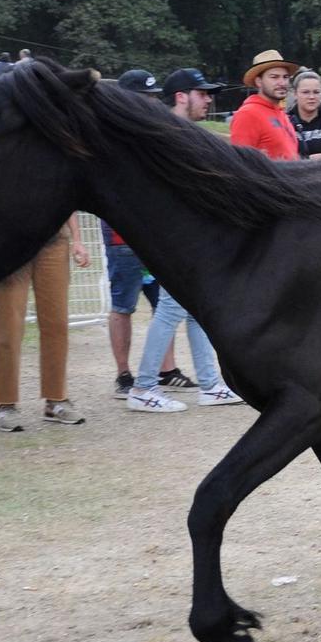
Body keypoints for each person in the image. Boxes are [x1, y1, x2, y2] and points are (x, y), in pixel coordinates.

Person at [126, 69, 243, 413]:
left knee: (193, 311)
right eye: (202, 93)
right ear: (181, 96)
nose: (209, 99)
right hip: (172, 237)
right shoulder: (163, 133)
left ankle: (209, 384)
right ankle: (143, 387)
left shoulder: (177, 131)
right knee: (172, 308)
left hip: (184, 236)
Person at [103, 70, 186, 396]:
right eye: (146, 97)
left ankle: (167, 370)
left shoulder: (148, 131)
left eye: (154, 97)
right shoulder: (111, 136)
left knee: (164, 304)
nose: (152, 102)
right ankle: (124, 374)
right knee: (123, 305)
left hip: (153, 234)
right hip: (122, 238)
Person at [0, 215, 90, 431]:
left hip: (54, 240)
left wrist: (77, 239)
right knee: (9, 324)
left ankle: (56, 400)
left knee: (57, 323)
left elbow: (68, 195)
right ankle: (5, 404)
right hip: (8, 241)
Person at [228, 49, 300, 160]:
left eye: (285, 77)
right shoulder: (248, 114)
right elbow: (240, 165)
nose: (282, 82)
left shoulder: (282, 114)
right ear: (259, 82)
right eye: (274, 77)